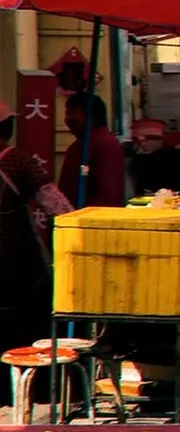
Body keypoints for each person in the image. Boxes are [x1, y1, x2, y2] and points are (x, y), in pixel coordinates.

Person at [0, 103, 56, 349]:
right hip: (15, 253)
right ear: (8, 128)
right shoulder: (18, 161)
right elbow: (56, 205)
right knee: (24, 316)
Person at [59, 93, 126, 208]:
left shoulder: (106, 145)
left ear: (92, 116)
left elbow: (108, 194)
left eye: (72, 113)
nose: (68, 119)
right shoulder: (79, 145)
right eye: (67, 113)